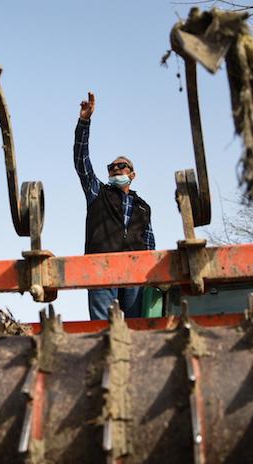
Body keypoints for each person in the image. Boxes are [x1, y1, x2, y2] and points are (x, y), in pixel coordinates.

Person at [74, 92, 155, 320]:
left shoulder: (143, 208)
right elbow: (81, 160)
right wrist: (84, 121)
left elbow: (149, 244)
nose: (116, 169)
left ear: (133, 174)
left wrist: (153, 274)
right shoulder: (97, 192)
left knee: (135, 328)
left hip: (134, 272)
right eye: (111, 167)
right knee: (102, 330)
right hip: (100, 267)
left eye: (122, 166)